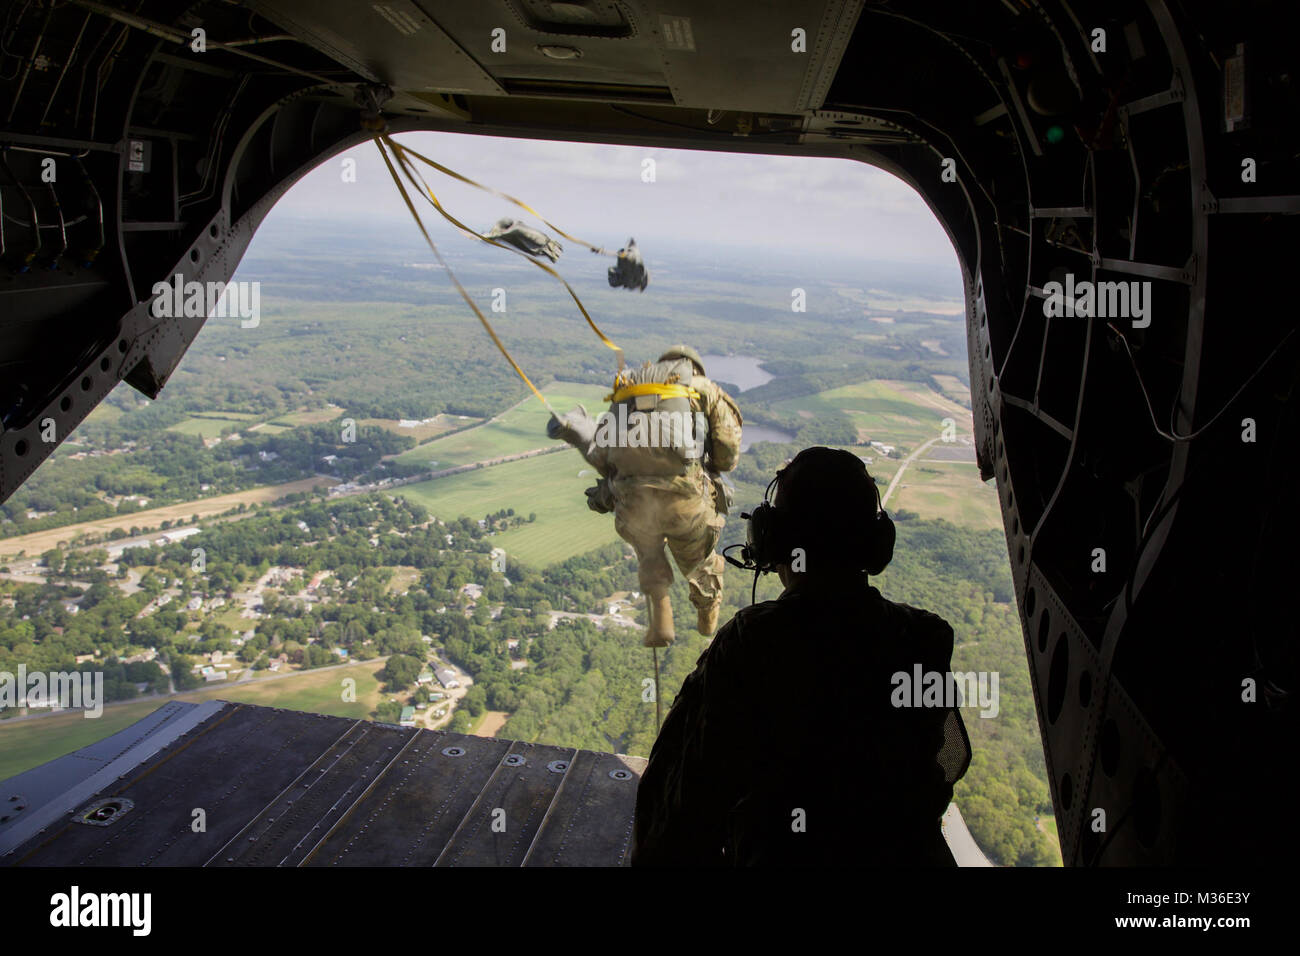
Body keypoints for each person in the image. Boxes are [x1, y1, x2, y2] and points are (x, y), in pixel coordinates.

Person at [631, 446, 971, 866]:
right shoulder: (925, 637)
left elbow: (681, 810)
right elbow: (944, 764)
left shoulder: (752, 642)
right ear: (876, 543)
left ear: (772, 538)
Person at [546, 345, 742, 646]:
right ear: (693, 367)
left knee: (646, 544)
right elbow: (727, 452)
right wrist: (708, 467)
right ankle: (706, 616)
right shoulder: (701, 387)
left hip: (632, 506)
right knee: (700, 565)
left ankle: (577, 427)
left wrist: (610, 491)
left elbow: (604, 450)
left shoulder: (630, 387)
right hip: (685, 506)